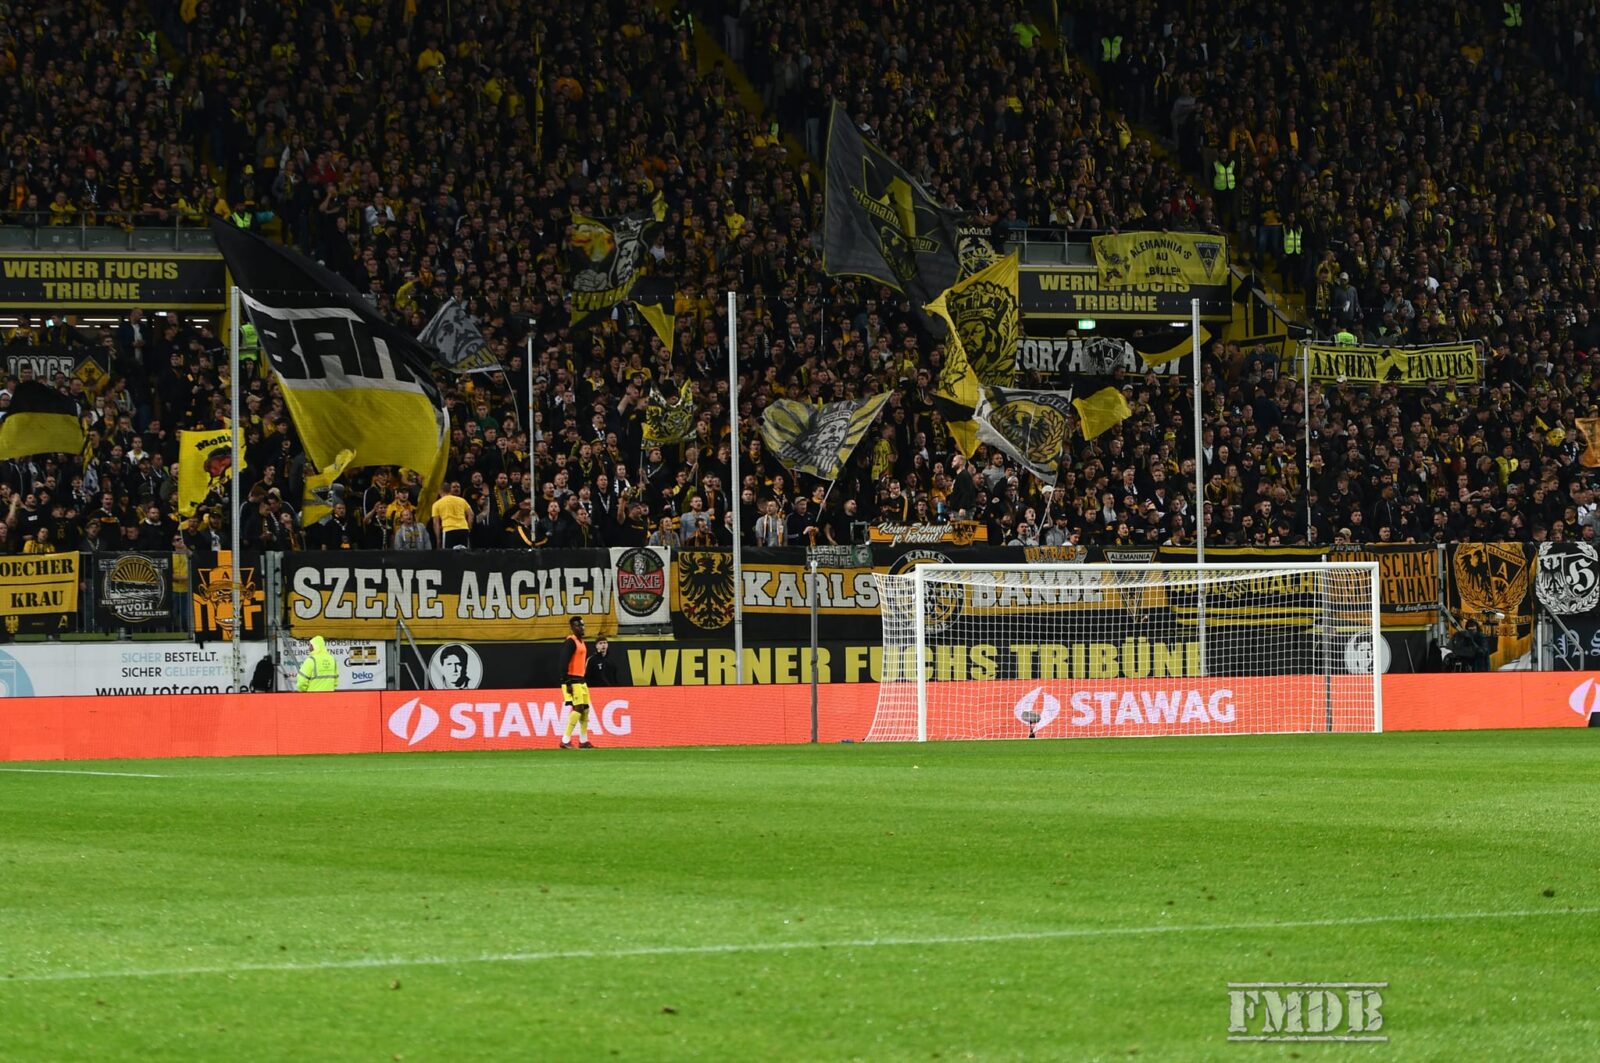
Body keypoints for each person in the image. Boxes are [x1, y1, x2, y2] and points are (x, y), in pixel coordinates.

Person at [559, 616, 596, 749]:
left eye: (582, 625)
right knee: (578, 708)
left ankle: (583, 740)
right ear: (572, 628)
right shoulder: (570, 642)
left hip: (581, 680)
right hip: (572, 680)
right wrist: (566, 681)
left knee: (586, 710)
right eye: (578, 625)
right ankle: (565, 740)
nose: (581, 627)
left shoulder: (581, 642)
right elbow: (563, 662)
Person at [431, 481, 472, 549]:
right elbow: (471, 514)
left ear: (440, 491)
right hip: (463, 530)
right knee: (465, 555)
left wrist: (438, 539)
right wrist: (469, 528)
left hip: (449, 530)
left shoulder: (436, 504)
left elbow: (436, 523)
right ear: (450, 490)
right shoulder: (462, 500)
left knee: (448, 556)